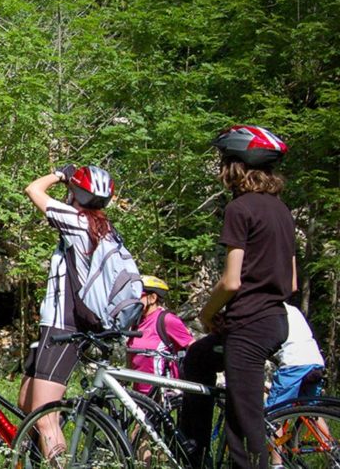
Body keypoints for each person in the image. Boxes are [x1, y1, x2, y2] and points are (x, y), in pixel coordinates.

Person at [179, 125, 294, 469]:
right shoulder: (282, 211)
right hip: (275, 320)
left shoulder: (239, 209)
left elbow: (231, 282)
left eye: (223, 162)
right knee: (198, 357)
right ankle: (193, 452)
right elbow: (290, 279)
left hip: (249, 326)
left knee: (243, 427)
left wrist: (206, 313)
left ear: (236, 166)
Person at [19, 163, 119, 459]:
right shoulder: (102, 228)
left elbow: (33, 189)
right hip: (58, 326)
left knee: (45, 416)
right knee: (26, 399)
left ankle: (61, 459)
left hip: (64, 326)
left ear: (76, 194)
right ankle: (44, 454)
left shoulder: (77, 221)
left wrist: (61, 174)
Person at [126, 275, 194, 395]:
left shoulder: (167, 320)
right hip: (139, 394)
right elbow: (131, 353)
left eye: (138, 295)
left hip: (162, 393)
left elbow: (192, 346)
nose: (133, 300)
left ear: (152, 298)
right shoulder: (137, 321)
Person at [266, 301, 324, 408]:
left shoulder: (269, 310)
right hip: (315, 361)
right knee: (310, 412)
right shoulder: (293, 309)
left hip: (294, 363)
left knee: (271, 413)